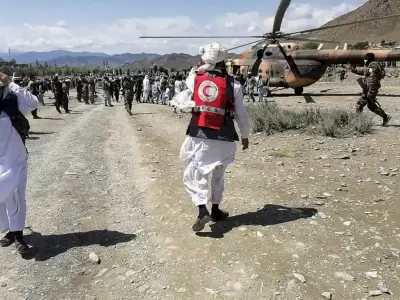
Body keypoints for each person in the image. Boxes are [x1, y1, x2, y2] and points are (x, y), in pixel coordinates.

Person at [179, 43, 251, 232]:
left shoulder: (195, 78)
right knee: (218, 175)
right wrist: (245, 136)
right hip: (226, 138)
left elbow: (189, 83)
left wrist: (199, 66)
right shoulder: (233, 84)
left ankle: (203, 210)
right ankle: (216, 210)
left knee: (195, 174)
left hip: (201, 136)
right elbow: (241, 114)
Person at [0, 72, 38, 255]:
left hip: (16, 159)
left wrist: (11, 84)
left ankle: (18, 234)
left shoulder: (12, 102)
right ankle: (9, 229)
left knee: (16, 196)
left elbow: (33, 103)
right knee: (3, 199)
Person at [347, 53, 391, 126]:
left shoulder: (373, 66)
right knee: (371, 106)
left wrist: (370, 91)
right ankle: (385, 116)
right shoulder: (372, 65)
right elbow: (363, 72)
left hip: (370, 89)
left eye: (365, 59)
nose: (364, 60)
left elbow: (372, 79)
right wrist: (351, 68)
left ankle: (358, 122)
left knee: (359, 104)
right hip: (369, 89)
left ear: (368, 59)